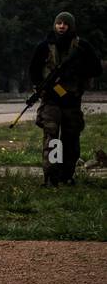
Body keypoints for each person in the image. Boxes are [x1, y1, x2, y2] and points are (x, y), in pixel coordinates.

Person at [27, 12, 102, 185]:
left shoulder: (81, 46)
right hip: (51, 100)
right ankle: (51, 177)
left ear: (71, 26)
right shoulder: (45, 46)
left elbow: (96, 69)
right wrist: (41, 86)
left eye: (65, 24)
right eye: (59, 23)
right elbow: (34, 70)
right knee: (52, 138)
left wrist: (76, 71)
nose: (61, 26)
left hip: (72, 101)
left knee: (70, 139)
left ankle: (67, 175)